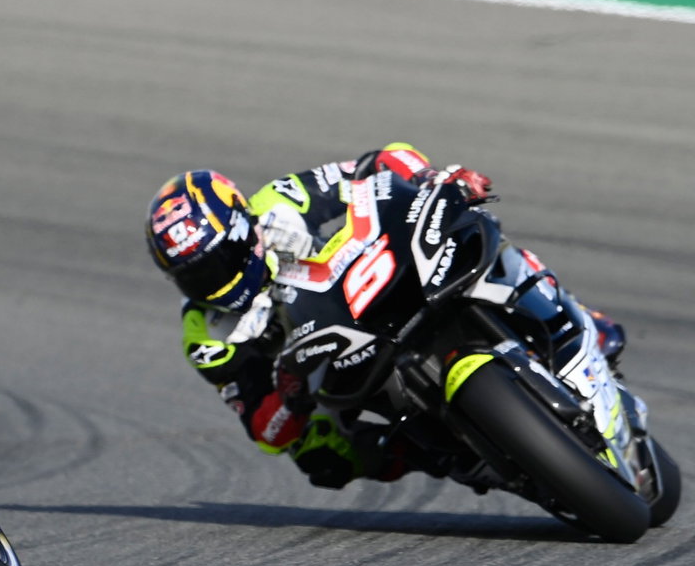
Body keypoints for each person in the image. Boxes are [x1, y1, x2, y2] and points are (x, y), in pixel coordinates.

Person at [145, 143, 626, 489]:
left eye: (218, 261)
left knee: (473, 231)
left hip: (372, 290)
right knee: (321, 456)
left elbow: (376, 164)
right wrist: (289, 399)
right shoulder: (205, 336)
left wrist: (432, 178)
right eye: (194, 277)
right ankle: (455, 457)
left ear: (242, 225)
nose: (213, 283)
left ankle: (569, 311)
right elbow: (264, 431)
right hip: (330, 374)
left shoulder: (280, 203)